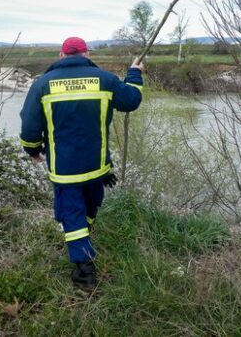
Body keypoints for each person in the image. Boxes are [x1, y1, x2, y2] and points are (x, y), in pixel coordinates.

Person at [19, 36, 144, 291]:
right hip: (97, 166)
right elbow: (131, 100)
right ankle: (83, 241)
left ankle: (84, 271)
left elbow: (30, 125)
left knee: (72, 214)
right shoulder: (105, 80)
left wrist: (32, 150)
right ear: (86, 54)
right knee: (87, 207)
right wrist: (135, 72)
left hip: (65, 170)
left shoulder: (42, 84)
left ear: (61, 55)